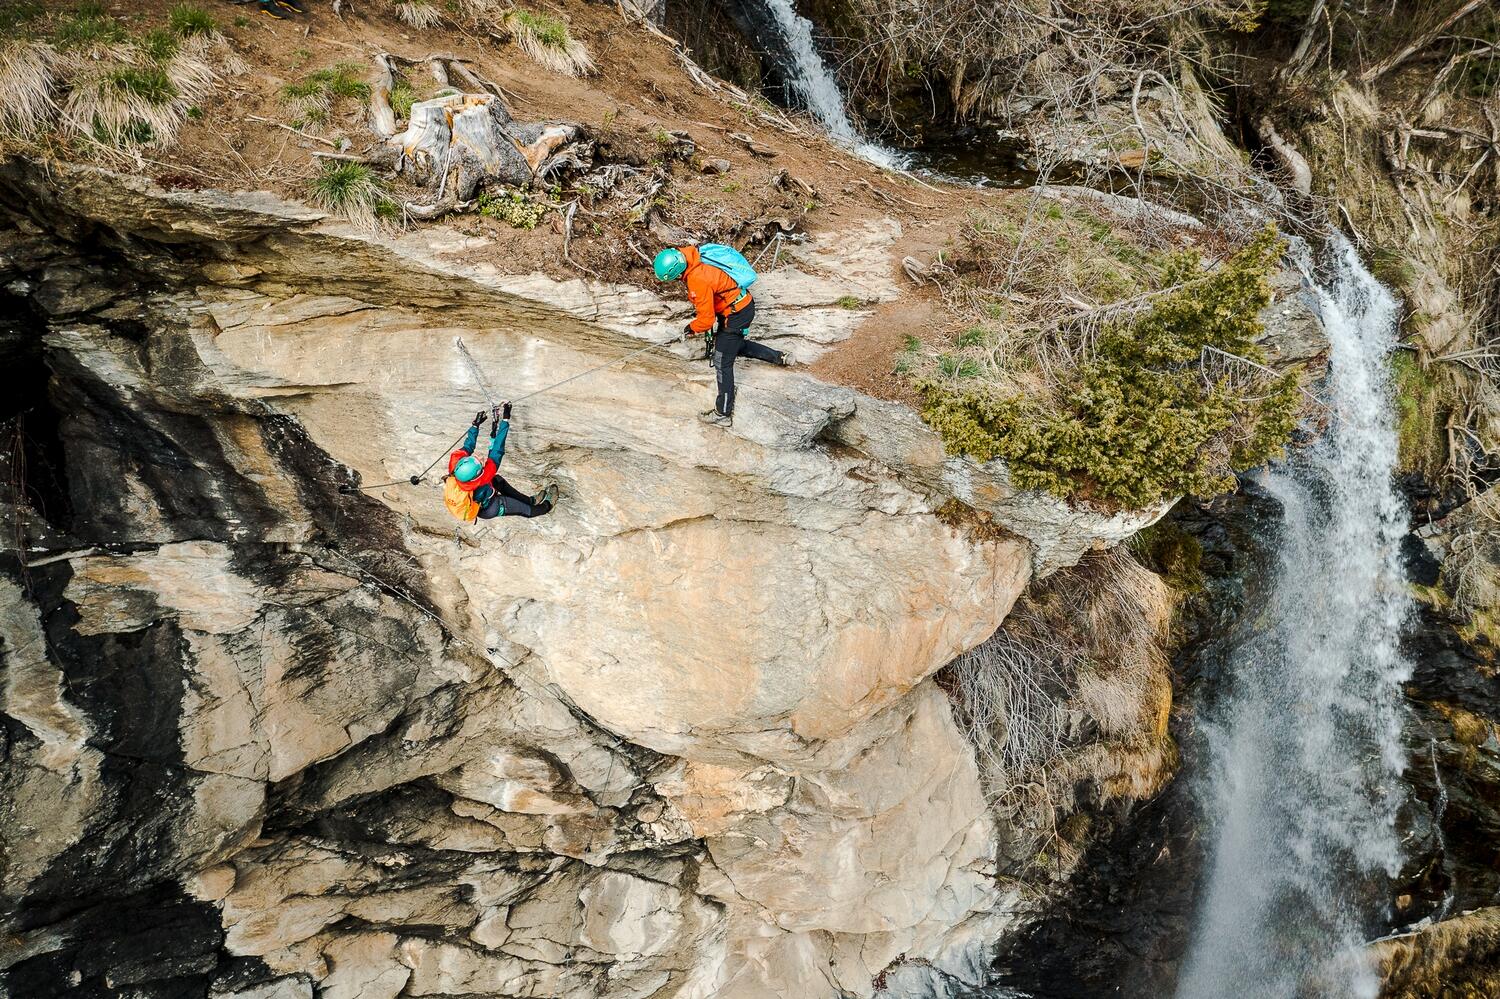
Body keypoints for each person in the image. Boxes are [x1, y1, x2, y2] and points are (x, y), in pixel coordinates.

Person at [654, 245, 789, 428]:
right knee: (734, 346)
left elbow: (706, 320)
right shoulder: (694, 255)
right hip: (742, 305)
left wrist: (691, 328)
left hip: (736, 313)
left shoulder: (697, 279)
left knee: (722, 361)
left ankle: (722, 413)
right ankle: (779, 357)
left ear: (677, 273)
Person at [444, 404, 558, 521]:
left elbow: (468, 445)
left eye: (474, 458)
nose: (479, 457)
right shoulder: (483, 479)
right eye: (480, 462)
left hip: (480, 493)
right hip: (489, 508)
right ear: (478, 475)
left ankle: (531, 500)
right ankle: (547, 506)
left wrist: (475, 425)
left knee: (498, 481)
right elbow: (497, 450)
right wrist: (505, 420)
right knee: (525, 510)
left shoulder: (455, 462)